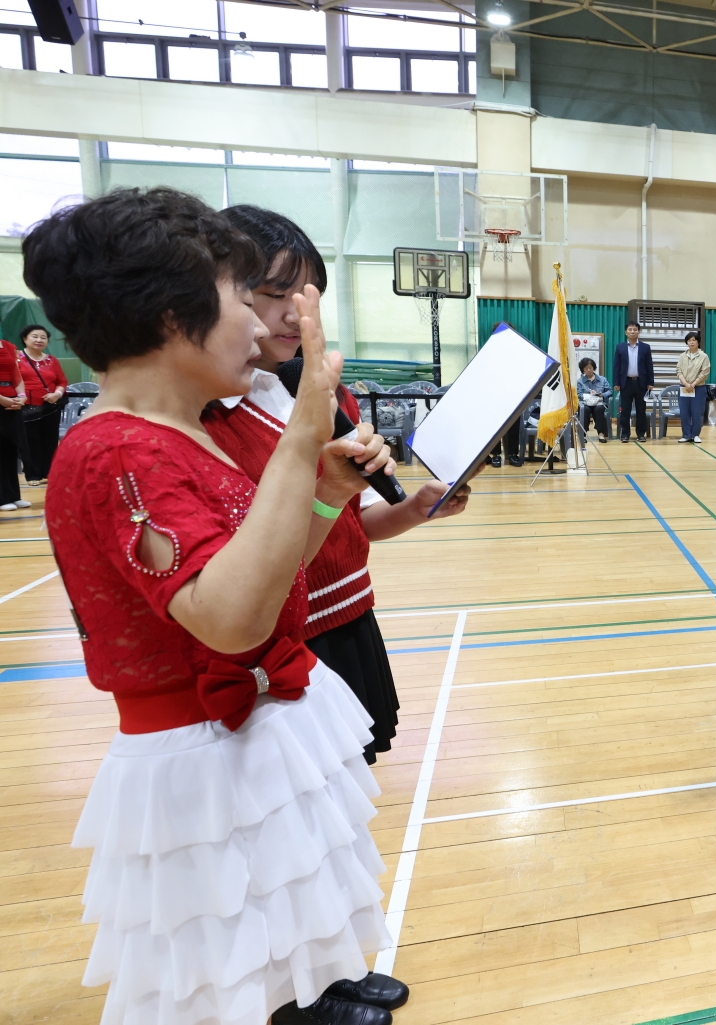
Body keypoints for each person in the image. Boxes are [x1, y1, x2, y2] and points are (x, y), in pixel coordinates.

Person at [25, 186, 404, 1025]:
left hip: (253, 724)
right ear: (171, 315)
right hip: (197, 745)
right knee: (221, 965)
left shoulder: (188, 428)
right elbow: (228, 619)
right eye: (242, 297)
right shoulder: (117, 448)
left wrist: (321, 497)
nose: (262, 322)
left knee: (278, 916)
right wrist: (305, 432)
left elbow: (269, 582)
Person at [204, 205, 471, 766]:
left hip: (351, 618)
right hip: (284, 640)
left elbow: (359, 524)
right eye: (274, 294)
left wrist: (418, 509)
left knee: (351, 788)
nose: (293, 314)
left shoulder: (328, 393)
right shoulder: (212, 416)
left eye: (309, 296)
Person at [18, 324, 66, 484]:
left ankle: (48, 473)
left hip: (50, 408)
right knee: (30, 441)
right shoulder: (16, 358)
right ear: (25, 339)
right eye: (35, 336)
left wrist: (56, 394)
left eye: (43, 337)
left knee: (50, 440)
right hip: (26, 407)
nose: (39, 340)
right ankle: (32, 475)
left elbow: (62, 381)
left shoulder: (52, 360)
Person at [613, 321, 653, 442]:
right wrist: (616, 382)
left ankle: (641, 434)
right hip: (626, 383)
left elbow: (649, 366)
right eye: (630, 329)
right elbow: (616, 367)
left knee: (641, 410)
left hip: (641, 383)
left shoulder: (645, 347)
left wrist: (650, 382)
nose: (632, 331)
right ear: (626, 332)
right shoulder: (620, 347)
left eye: (635, 329)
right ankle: (625, 434)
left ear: (638, 332)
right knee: (625, 410)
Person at [0, 332, 26, 511]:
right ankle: (2, 498)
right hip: (2, 401)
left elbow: (16, 374)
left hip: (12, 404)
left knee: (10, 449)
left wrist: (22, 397)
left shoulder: (7, 346)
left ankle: (13, 495)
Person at [676, 330, 710, 443]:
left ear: (698, 342)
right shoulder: (682, 356)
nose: (691, 342)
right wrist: (686, 384)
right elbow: (678, 371)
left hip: (698, 388)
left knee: (697, 412)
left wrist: (693, 384)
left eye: (694, 340)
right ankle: (686, 435)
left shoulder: (704, 356)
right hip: (684, 387)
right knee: (684, 412)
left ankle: (695, 435)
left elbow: (704, 373)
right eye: (689, 340)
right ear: (687, 342)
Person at [576, 356, 612, 442]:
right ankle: (583, 435)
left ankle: (601, 434)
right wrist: (588, 395)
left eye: (590, 368)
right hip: (586, 403)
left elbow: (610, 391)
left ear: (594, 368)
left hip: (599, 402)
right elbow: (578, 394)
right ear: (583, 370)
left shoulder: (602, 380)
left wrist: (602, 394)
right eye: (586, 368)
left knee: (599, 409)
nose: (588, 370)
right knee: (584, 410)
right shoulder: (580, 381)